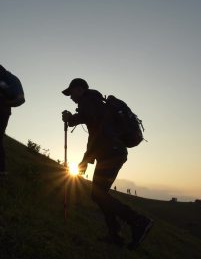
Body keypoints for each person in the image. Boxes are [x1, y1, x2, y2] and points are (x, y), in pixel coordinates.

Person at [61, 78, 153, 249]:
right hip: (112, 152)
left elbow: (97, 132)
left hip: (111, 152)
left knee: (98, 194)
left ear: (80, 89)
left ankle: (139, 222)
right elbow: (91, 123)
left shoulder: (88, 101)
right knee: (99, 193)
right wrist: (72, 119)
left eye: (71, 92)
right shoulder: (95, 102)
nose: (70, 97)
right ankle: (115, 234)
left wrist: (84, 160)